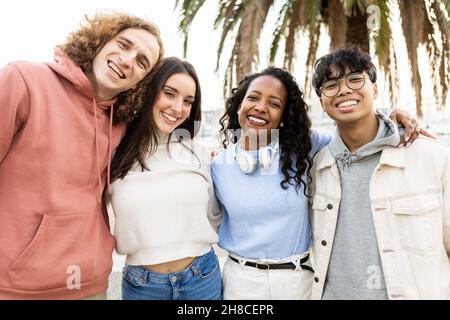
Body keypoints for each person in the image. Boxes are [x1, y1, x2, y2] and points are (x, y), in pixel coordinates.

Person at [211, 65, 426, 300]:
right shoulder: (217, 165)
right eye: (253, 98)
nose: (261, 107)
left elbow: (357, 134)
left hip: (297, 282)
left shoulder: (304, 148)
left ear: (284, 116)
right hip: (240, 282)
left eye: (274, 104)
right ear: (239, 104)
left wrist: (392, 116)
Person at [0, 12, 163, 300]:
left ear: (141, 81)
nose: (127, 60)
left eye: (142, 62)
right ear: (100, 40)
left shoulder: (121, 122)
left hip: (89, 284)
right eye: (124, 45)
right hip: (17, 285)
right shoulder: (24, 80)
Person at [309, 46, 450, 300]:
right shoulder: (317, 167)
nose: (344, 90)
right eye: (331, 85)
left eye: (355, 79)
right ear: (322, 102)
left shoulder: (433, 157)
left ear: (374, 89)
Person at [109, 57, 222, 300]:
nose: (178, 107)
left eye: (188, 101)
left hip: (201, 278)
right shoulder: (115, 154)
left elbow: (214, 215)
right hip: (143, 285)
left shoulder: (199, 153)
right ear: (149, 91)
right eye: (169, 93)